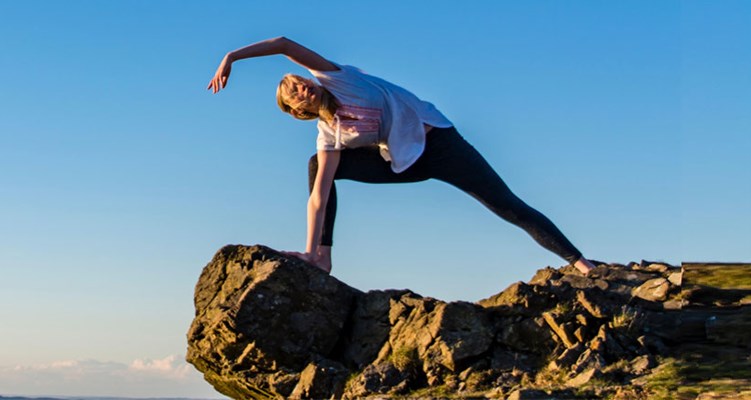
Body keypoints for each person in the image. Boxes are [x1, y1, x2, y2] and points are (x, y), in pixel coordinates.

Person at [207, 36, 596, 275]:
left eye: (300, 82)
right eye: (293, 92)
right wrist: (308, 250)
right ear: (296, 110)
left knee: (505, 205)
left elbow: (284, 45)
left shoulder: (337, 77)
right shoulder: (329, 134)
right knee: (318, 168)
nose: (301, 88)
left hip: (441, 145)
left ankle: (581, 263)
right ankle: (320, 257)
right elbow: (319, 196)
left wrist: (232, 57)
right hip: (401, 162)